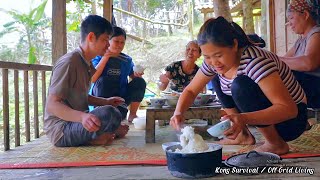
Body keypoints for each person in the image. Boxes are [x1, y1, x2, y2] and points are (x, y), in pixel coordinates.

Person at [170, 17, 308, 155]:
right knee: (218, 76)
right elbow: (191, 90)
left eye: (218, 55)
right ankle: (242, 135)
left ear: (234, 45)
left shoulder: (255, 62)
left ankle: (275, 143)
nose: (213, 61)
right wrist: (178, 112)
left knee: (241, 85)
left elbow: (289, 110)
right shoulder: (214, 64)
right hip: (274, 116)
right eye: (207, 57)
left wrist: (243, 118)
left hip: (291, 123)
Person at [44, 15, 129, 147]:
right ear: (91, 37)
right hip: (61, 130)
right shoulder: (69, 62)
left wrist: (105, 101)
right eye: (105, 40)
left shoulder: (86, 63)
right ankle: (97, 138)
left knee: (116, 108)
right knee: (108, 113)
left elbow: (81, 95)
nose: (108, 45)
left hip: (77, 123)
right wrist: (82, 117)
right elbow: (52, 105)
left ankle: (100, 136)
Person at [90, 26, 146, 123]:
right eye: (116, 41)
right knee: (104, 80)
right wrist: (106, 57)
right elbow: (92, 79)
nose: (119, 45)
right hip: (101, 98)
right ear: (109, 41)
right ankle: (102, 112)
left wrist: (137, 74)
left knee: (140, 82)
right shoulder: (98, 57)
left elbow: (133, 77)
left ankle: (132, 115)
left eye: (122, 42)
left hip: (121, 98)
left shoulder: (126, 60)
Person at [279, 0, 320, 109]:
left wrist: (274, 60)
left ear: (305, 15)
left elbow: (309, 63)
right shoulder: (301, 40)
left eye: (291, 18)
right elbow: (282, 61)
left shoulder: (316, 33)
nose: (289, 23)